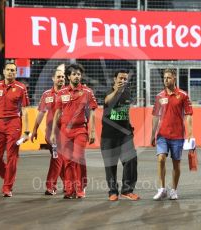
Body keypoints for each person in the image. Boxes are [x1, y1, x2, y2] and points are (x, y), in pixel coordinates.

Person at [0, 60, 30, 197]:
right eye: (8, 70)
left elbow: (25, 110)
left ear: (16, 72)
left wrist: (26, 131)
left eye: (13, 70)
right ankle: (8, 175)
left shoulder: (21, 88)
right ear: (3, 71)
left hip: (14, 124)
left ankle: (7, 187)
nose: (10, 72)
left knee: (12, 157)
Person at [50, 63, 97, 199]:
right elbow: (57, 113)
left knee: (78, 157)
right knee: (67, 160)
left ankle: (80, 187)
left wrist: (92, 131)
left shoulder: (87, 92)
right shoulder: (62, 92)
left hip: (80, 129)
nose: (77, 76)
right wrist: (53, 132)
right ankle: (70, 190)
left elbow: (92, 112)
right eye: (74, 74)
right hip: (65, 130)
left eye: (79, 74)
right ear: (69, 76)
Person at [151, 69, 193, 200]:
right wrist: (153, 134)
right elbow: (155, 116)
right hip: (162, 135)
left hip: (178, 136)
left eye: (168, 77)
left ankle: (173, 190)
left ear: (174, 78)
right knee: (161, 158)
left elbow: (188, 114)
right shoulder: (159, 96)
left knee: (176, 164)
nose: (166, 80)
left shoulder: (183, 95)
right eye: (164, 78)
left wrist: (190, 133)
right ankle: (162, 189)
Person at [100, 70, 139, 201]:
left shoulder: (128, 93)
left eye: (125, 78)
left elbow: (125, 113)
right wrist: (116, 91)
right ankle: (112, 191)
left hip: (125, 135)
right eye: (121, 78)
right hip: (108, 135)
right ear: (114, 79)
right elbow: (107, 101)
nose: (123, 80)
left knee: (131, 160)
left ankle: (127, 190)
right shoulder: (108, 91)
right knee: (110, 165)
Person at [31, 64, 65, 195]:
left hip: (66, 133)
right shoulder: (46, 95)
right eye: (58, 77)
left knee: (59, 158)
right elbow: (40, 114)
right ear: (53, 78)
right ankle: (52, 186)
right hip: (51, 134)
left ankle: (64, 184)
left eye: (63, 77)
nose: (61, 79)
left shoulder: (69, 93)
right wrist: (34, 130)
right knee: (57, 157)